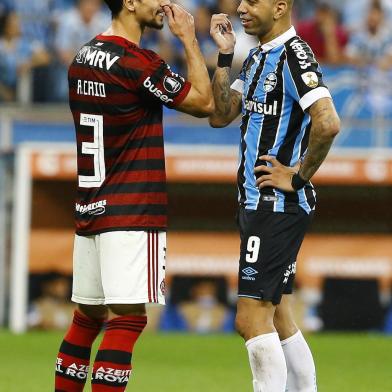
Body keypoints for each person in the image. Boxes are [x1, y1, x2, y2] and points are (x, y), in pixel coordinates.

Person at [54, 0, 213, 391]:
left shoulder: (82, 58)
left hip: (90, 205)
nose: (163, 3)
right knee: (128, 319)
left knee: (87, 318)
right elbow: (205, 103)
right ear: (129, 3)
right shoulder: (137, 63)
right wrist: (190, 39)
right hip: (131, 208)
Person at [209, 0, 340, 391]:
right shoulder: (256, 57)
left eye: (253, 1)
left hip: (274, 206)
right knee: (280, 315)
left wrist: (297, 176)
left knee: (250, 320)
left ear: (281, 7)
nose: (241, 8)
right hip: (258, 205)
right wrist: (225, 54)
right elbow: (220, 114)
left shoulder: (295, 56)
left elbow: (328, 123)